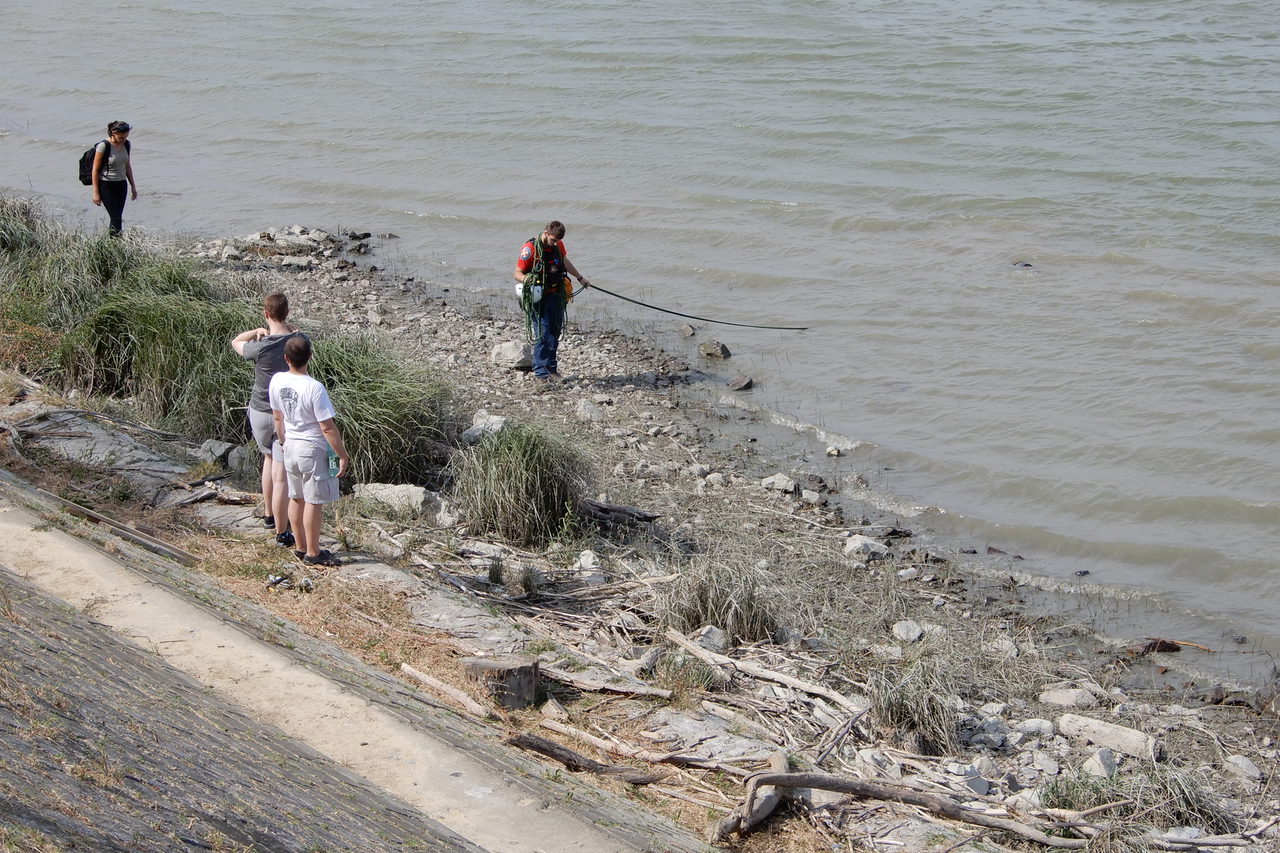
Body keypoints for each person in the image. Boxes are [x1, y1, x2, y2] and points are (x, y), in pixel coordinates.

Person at [269, 335, 349, 568]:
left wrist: (283, 441)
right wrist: (342, 454)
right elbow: (327, 428)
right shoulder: (314, 387)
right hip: (311, 448)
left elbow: (277, 417)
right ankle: (313, 553)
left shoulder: (277, 380)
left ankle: (301, 546)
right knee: (313, 501)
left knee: (296, 497)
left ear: (286, 358)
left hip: (290, 445)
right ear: (310, 357)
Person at [231, 293, 303, 548]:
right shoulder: (297, 341)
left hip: (260, 410)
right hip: (286, 414)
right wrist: (292, 329)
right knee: (281, 472)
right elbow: (301, 341)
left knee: (268, 460)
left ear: (265, 314)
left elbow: (236, 341)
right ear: (287, 312)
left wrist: (256, 331)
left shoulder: (259, 346)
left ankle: (269, 515)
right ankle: (282, 529)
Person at [513, 221, 591, 382]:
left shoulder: (558, 245)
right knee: (542, 333)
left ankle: (552, 370)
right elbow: (517, 273)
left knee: (554, 332)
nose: (555, 243)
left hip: (556, 294)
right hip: (539, 296)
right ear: (546, 233)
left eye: (558, 241)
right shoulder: (529, 249)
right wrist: (528, 279)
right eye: (553, 240)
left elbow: (564, 261)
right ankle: (541, 374)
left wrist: (580, 277)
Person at [91, 121, 137, 235]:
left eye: (125, 137)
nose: (123, 140)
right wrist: (95, 192)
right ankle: (115, 241)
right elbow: (95, 170)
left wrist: (133, 186)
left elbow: (127, 165)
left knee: (118, 216)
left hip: (121, 184)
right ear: (113, 133)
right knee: (115, 216)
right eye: (120, 137)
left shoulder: (126, 144)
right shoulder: (103, 146)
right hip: (106, 185)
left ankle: (113, 241)